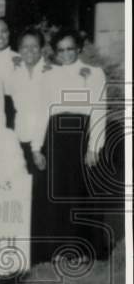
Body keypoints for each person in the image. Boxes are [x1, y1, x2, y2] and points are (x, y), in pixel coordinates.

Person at [36, 29, 109, 261]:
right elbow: (42, 112)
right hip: (56, 137)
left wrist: (94, 146)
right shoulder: (48, 75)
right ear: (55, 52)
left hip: (81, 135)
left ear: (78, 49)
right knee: (59, 194)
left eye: (70, 49)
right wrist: (37, 147)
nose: (65, 54)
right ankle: (59, 248)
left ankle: (83, 249)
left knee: (80, 193)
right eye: (60, 50)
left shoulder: (94, 73)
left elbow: (99, 109)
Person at [4, 29, 52, 262]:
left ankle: (42, 251)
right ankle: (25, 246)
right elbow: (12, 105)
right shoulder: (16, 74)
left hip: (43, 140)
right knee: (24, 192)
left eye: (34, 46)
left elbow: (44, 110)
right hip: (21, 138)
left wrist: (37, 147)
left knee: (41, 194)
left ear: (42, 48)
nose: (30, 51)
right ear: (19, 49)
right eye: (25, 47)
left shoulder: (50, 73)